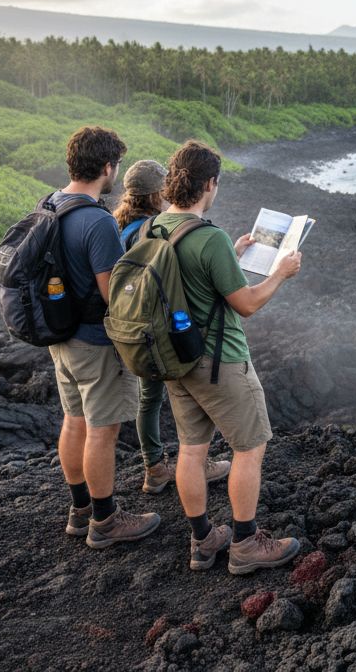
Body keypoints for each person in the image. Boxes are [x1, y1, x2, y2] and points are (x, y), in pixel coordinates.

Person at [152, 140, 303, 574]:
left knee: (191, 450)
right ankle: (245, 544)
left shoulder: (158, 227)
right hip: (220, 360)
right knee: (250, 448)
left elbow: (187, 279)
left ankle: (202, 542)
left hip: (175, 359)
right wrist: (281, 273)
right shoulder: (209, 237)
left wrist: (233, 255)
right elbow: (247, 303)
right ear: (210, 184)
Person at [49, 126, 160, 549]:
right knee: (102, 431)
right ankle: (105, 519)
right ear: (108, 166)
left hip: (61, 337)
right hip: (95, 343)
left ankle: (80, 511)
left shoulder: (53, 204)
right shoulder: (96, 220)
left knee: (73, 420)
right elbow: (114, 293)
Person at [112, 158, 231, 494]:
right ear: (156, 193)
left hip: (131, 327)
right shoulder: (150, 229)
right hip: (159, 330)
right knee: (185, 395)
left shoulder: (122, 228)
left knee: (149, 400)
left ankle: (154, 466)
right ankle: (193, 464)